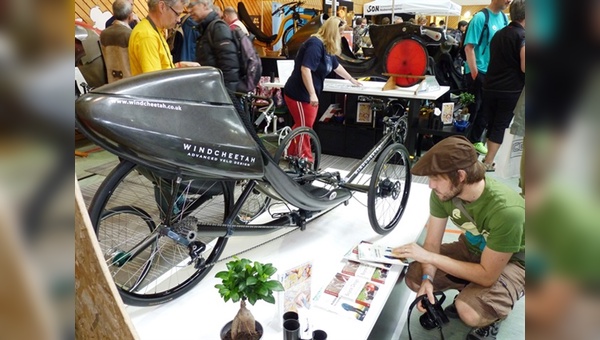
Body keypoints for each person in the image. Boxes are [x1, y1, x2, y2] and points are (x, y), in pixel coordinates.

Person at [392, 135, 524, 340]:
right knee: (415, 275)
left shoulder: (507, 211)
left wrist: (430, 258)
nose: (430, 185)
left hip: (513, 261)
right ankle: (472, 292)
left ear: (460, 176)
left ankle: (492, 313)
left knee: (469, 311)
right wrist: (427, 279)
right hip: (473, 247)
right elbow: (432, 243)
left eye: (436, 178)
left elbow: (488, 274)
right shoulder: (442, 194)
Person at [283, 17, 361, 164]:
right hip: (299, 94)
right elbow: (305, 69)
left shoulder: (326, 46)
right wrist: (312, 94)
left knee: (302, 125)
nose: (341, 35)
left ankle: (291, 153)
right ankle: (304, 159)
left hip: (308, 94)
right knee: (304, 127)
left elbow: (336, 66)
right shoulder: (315, 44)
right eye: (340, 32)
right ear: (333, 32)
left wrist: (351, 79)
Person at [481, 0, 525, 172]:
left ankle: (486, 158)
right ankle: (488, 162)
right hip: (510, 89)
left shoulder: (499, 34)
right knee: (500, 124)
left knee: (491, 123)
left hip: (490, 85)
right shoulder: (523, 36)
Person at [464, 0, 512, 155]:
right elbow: (469, 47)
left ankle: (476, 140)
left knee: (486, 109)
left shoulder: (504, 19)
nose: (508, 1)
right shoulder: (480, 18)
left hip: (493, 73)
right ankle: (465, 143)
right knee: (474, 108)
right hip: (477, 71)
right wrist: (475, 73)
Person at [128, 0, 199, 76]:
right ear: (162, 7)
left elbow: (160, 69)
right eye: (177, 14)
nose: (178, 20)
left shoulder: (153, 30)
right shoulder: (147, 36)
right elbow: (155, 80)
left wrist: (179, 66)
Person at [188, 0, 240, 92]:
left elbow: (230, 66)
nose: (189, 10)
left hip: (219, 93)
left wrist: (227, 96)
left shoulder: (218, 28)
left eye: (192, 6)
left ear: (204, 5)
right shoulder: (207, 28)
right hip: (211, 89)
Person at [100, 0, 135, 83]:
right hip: (130, 81)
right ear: (130, 15)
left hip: (111, 81)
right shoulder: (130, 34)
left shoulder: (103, 34)